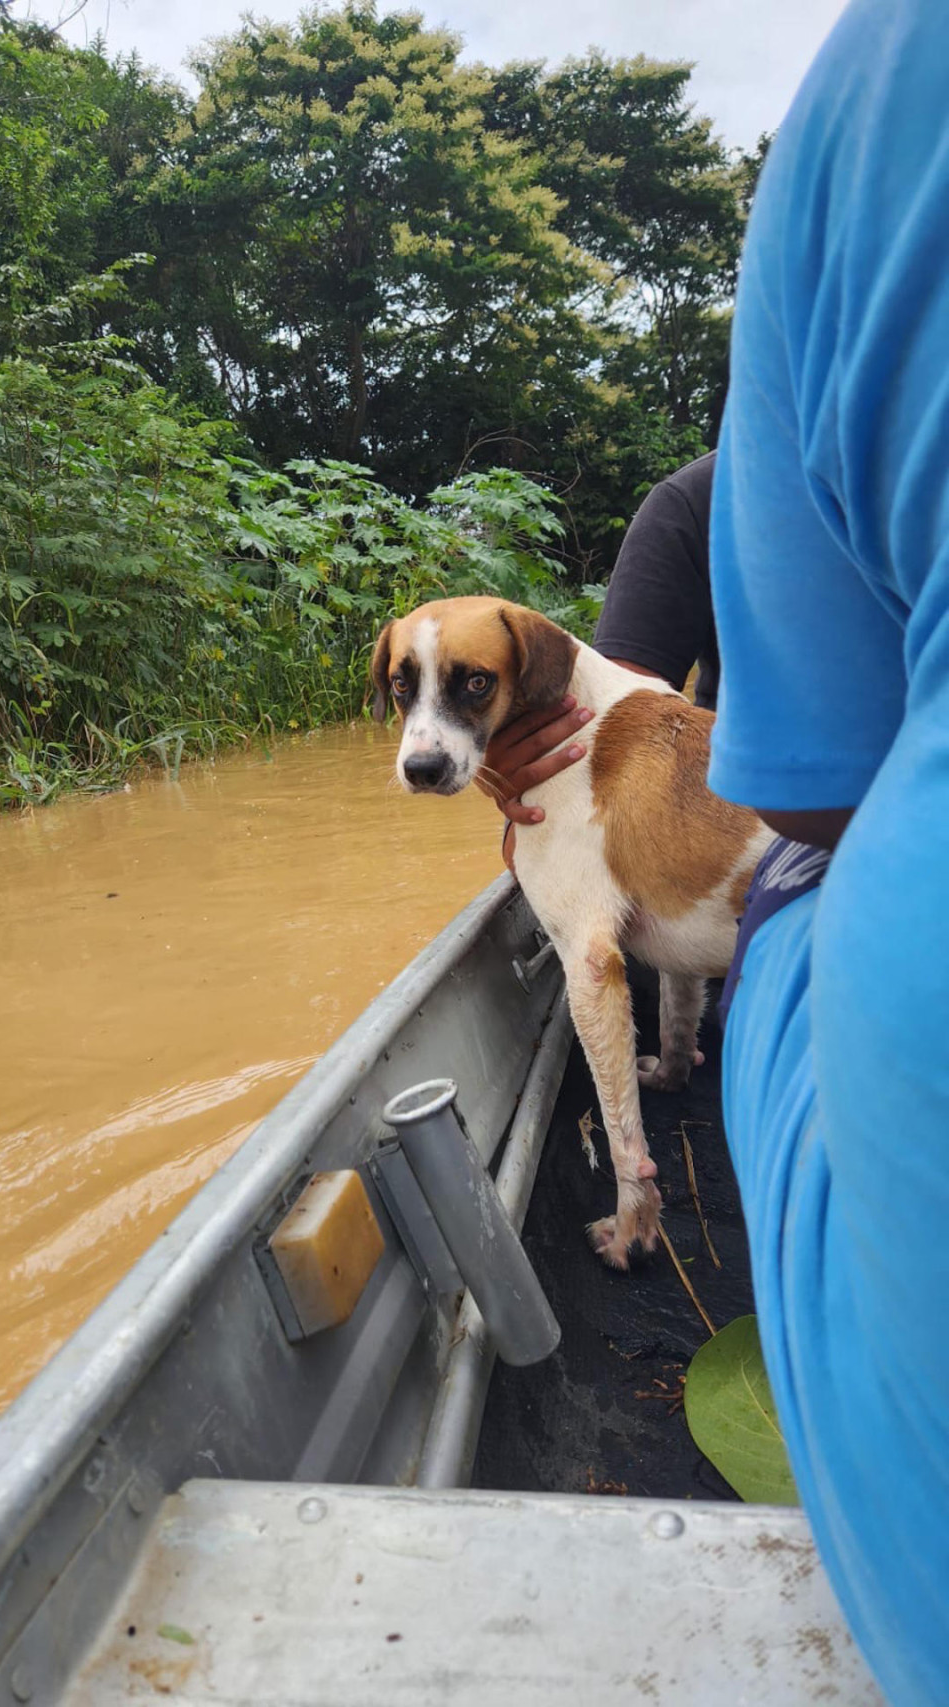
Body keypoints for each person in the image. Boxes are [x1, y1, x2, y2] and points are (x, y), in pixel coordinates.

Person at [700, 5, 949, 1701]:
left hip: (789, 781)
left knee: (783, 882)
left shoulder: (880, 82)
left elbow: (808, 801)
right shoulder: (670, 506)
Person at [479, 451, 717, 842]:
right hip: (739, 800)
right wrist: (511, 772)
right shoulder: (692, 501)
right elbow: (610, 729)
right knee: (524, 841)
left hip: (790, 804)